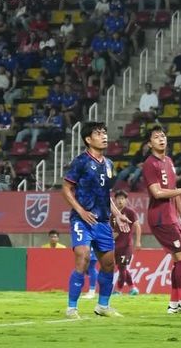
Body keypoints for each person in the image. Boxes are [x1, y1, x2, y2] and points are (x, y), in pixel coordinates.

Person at [62, 122, 131, 318]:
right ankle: (72, 307)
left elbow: (105, 194)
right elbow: (66, 189)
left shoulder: (109, 164)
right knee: (83, 258)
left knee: (109, 264)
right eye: (98, 133)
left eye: (104, 133)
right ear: (88, 139)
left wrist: (117, 214)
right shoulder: (81, 161)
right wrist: (81, 211)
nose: (104, 136)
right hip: (82, 220)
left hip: (102, 222)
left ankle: (102, 306)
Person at [141, 125, 181, 314]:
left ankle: (174, 304)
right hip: (160, 217)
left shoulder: (168, 161)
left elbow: (172, 187)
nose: (161, 139)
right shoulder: (149, 164)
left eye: (163, 136)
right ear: (149, 143)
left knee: (180, 259)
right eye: (156, 137)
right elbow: (158, 192)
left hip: (172, 217)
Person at [111, 190, 141, 296]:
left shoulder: (130, 212)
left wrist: (138, 242)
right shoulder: (113, 213)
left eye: (122, 199)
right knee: (121, 267)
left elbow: (137, 226)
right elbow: (113, 231)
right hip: (115, 246)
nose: (120, 201)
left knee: (122, 267)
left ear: (126, 200)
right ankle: (133, 288)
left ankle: (118, 290)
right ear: (115, 200)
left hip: (126, 246)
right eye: (118, 198)